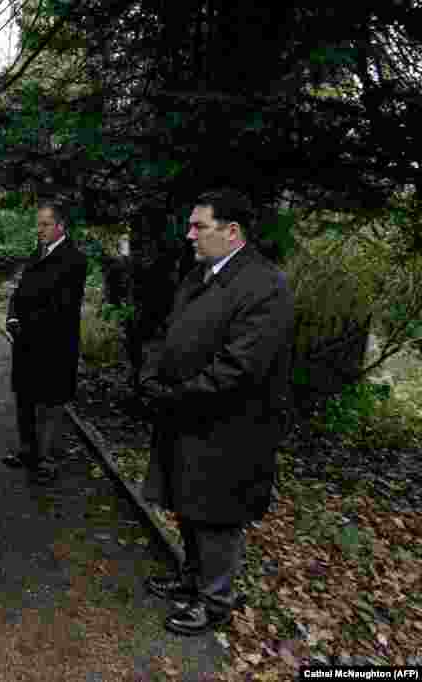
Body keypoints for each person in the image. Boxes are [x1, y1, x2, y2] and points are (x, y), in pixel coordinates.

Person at [140, 189, 295, 636]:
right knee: (187, 503)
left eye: (199, 226)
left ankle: (215, 602)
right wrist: (151, 376)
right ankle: (191, 579)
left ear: (232, 232)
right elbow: (167, 333)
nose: (189, 234)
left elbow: (241, 366)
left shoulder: (265, 285)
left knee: (217, 514)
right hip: (186, 414)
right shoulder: (199, 275)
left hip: (230, 426)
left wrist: (177, 394)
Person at [3, 203, 88, 483]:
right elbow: (19, 292)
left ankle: (46, 460)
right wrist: (13, 318)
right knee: (25, 397)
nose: (39, 230)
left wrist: (28, 326)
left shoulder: (74, 260)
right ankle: (28, 451)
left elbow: (61, 307)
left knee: (50, 402)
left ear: (60, 226)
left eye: (45, 225)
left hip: (54, 345)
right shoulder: (36, 255)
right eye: (38, 225)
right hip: (26, 341)